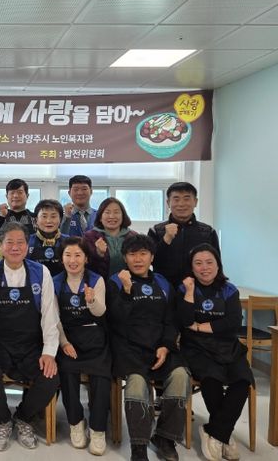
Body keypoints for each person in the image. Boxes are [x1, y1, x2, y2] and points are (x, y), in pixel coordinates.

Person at [0, 222, 60, 451]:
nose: (15, 247)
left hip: (30, 344)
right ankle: (3, 420)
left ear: (28, 245)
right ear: (1, 246)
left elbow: (49, 315)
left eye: (20, 242)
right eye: (9, 242)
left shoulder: (41, 272)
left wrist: (48, 353)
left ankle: (23, 417)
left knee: (51, 377)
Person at [107, 234, 189, 461]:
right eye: (132, 254)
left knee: (181, 376)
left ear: (152, 257)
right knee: (136, 384)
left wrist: (166, 345)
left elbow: (171, 320)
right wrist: (126, 291)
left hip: (159, 347)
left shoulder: (163, 283)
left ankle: (165, 438)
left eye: (143, 254)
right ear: (125, 258)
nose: (138, 259)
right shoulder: (115, 281)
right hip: (128, 349)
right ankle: (139, 446)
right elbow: (114, 319)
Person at [177, 244, 253, 461]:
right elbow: (184, 321)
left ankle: (216, 432)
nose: (204, 268)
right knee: (212, 380)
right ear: (192, 267)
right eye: (198, 263)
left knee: (243, 381)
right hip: (196, 348)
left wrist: (200, 326)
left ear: (218, 265)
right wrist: (189, 292)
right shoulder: (184, 289)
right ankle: (224, 436)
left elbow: (233, 323)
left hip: (228, 346)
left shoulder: (229, 290)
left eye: (209, 262)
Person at [53, 237, 110, 456]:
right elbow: (54, 318)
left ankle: (98, 429)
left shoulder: (96, 280)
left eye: (78, 255)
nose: (73, 260)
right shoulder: (55, 282)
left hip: (94, 336)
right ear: (62, 258)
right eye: (68, 255)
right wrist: (64, 343)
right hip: (68, 337)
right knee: (67, 374)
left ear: (86, 258)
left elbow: (100, 312)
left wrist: (92, 300)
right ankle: (76, 423)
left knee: (101, 378)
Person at [148, 182, 220, 286]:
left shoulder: (208, 232)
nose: (181, 204)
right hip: (164, 289)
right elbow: (150, 262)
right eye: (176, 199)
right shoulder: (155, 231)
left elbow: (216, 265)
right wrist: (166, 240)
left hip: (198, 290)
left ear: (195, 202)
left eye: (186, 199)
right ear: (168, 202)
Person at [84, 197, 138, 279]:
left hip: (129, 283)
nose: (112, 216)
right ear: (100, 217)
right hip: (99, 284)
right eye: (107, 212)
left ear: (123, 216)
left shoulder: (134, 237)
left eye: (116, 212)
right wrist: (99, 254)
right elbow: (85, 265)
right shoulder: (90, 237)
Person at [27, 199, 68, 276]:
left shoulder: (68, 241)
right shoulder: (27, 242)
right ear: (36, 220)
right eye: (44, 216)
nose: (48, 221)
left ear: (60, 219)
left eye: (53, 216)